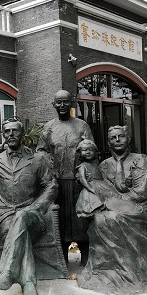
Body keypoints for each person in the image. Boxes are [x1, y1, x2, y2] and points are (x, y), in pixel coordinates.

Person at [77, 125, 147, 295]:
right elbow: (101, 189)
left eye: (121, 136)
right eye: (113, 138)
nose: (117, 140)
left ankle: (134, 271)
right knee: (99, 219)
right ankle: (113, 269)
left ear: (128, 139)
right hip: (114, 205)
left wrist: (116, 200)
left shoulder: (140, 160)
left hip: (143, 205)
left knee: (115, 217)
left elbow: (142, 191)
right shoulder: (104, 165)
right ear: (108, 143)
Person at [0, 119, 58, 295]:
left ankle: (8, 272)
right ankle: (28, 283)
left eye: (15, 131)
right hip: (5, 215)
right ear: (3, 135)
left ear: (23, 135)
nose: (11, 134)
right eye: (7, 131)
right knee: (16, 226)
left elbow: (51, 186)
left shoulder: (37, 160)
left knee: (22, 217)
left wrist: (37, 206)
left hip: (33, 214)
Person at [37, 89, 94, 265]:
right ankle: (62, 259)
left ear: (72, 103)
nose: (62, 105)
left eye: (65, 102)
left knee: (81, 219)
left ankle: (85, 257)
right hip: (57, 183)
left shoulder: (82, 126)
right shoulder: (49, 127)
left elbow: (91, 148)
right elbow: (41, 151)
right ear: (54, 105)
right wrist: (49, 170)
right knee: (59, 220)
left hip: (78, 181)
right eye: (59, 102)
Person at [74, 139, 104, 218]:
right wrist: (91, 189)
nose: (88, 152)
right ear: (80, 153)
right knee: (94, 207)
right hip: (90, 191)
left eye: (91, 150)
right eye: (85, 150)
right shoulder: (82, 166)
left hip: (101, 187)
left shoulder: (95, 166)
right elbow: (83, 180)